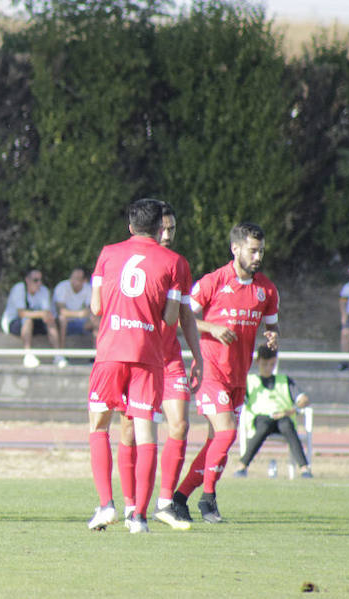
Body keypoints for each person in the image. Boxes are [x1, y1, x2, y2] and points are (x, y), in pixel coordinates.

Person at [86, 198, 193, 534]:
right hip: (148, 356)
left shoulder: (107, 253)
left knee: (100, 426)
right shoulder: (174, 262)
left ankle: (106, 506)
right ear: (159, 227)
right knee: (146, 433)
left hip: (110, 353)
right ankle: (140, 518)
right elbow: (172, 317)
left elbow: (95, 306)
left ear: (131, 226)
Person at [172, 222, 280, 524]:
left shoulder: (266, 289)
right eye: (252, 250)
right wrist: (213, 328)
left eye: (260, 251)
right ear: (236, 249)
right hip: (210, 370)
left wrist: (273, 336)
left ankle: (179, 498)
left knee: (216, 443)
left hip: (237, 375)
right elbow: (183, 319)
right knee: (228, 432)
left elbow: (272, 325)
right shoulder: (213, 281)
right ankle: (208, 499)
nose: (258, 256)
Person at [116, 201, 203, 531]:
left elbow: (185, 317)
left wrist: (198, 357)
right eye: (163, 228)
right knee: (128, 430)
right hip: (139, 359)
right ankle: (129, 505)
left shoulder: (176, 266)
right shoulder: (136, 260)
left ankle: (165, 502)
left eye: (172, 230)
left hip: (168, 361)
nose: (167, 234)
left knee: (179, 425)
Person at [233, 344, 312, 478]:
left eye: (272, 364)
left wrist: (291, 410)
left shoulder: (285, 380)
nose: (269, 368)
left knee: (287, 426)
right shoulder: (250, 380)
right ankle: (242, 466)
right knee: (264, 426)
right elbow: (239, 399)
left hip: (283, 416)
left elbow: (303, 399)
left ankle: (304, 469)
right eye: (265, 364)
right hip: (261, 418)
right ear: (258, 362)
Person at [0, 268, 61, 368]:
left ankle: (58, 355)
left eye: (40, 280)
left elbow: (46, 313)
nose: (39, 283)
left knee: (50, 321)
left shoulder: (44, 290)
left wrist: (45, 316)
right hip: (13, 322)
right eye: (35, 280)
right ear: (27, 280)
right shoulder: (19, 288)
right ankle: (27, 354)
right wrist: (42, 314)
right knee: (27, 320)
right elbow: (22, 313)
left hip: (35, 322)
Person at [52, 267, 97, 366]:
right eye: (72, 277)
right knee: (62, 319)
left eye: (77, 278)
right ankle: (61, 355)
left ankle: (95, 357)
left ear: (84, 281)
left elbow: (93, 310)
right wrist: (80, 314)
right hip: (62, 323)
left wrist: (85, 314)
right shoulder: (62, 287)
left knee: (96, 320)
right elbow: (61, 312)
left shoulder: (88, 289)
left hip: (81, 323)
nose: (73, 281)